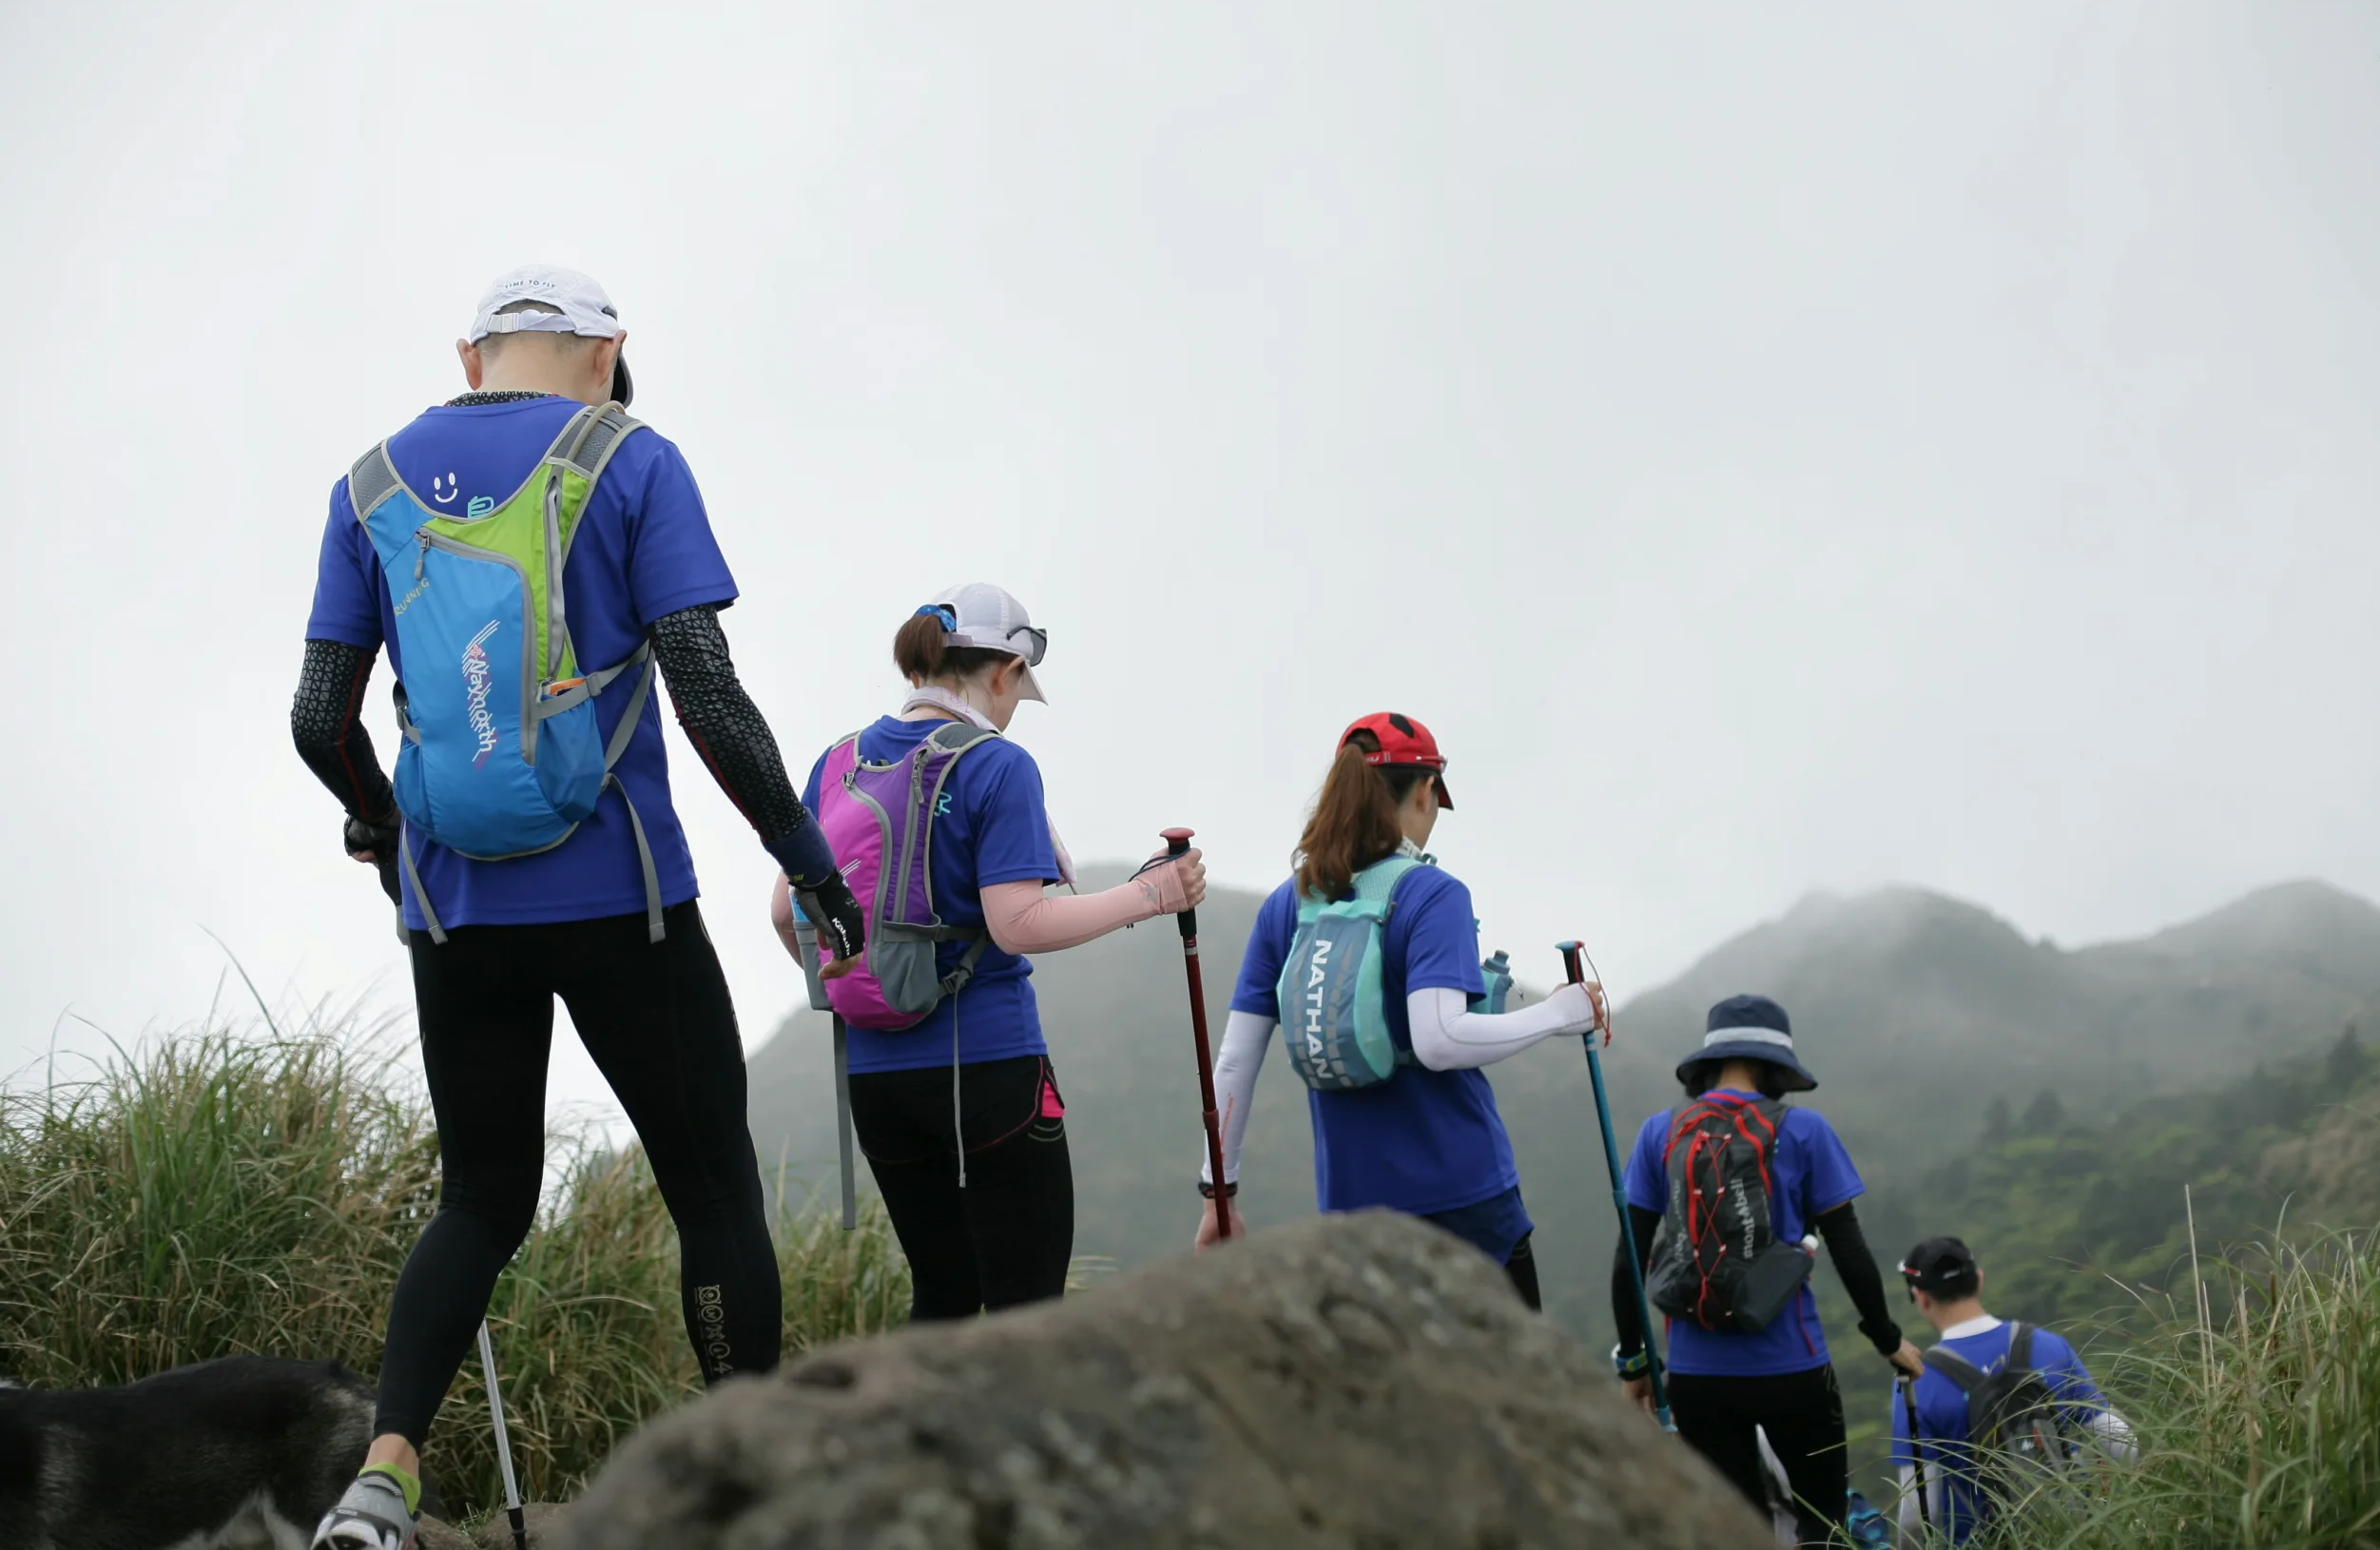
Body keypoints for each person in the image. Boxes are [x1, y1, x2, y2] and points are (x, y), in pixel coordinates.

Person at [293, 267, 864, 1550]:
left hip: (454, 909)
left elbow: (314, 716)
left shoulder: (368, 484)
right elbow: (709, 695)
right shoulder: (633, 458)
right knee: (713, 1190)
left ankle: (381, 1481)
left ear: (471, 351)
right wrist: (809, 860)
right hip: (629, 898)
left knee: (479, 1200)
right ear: (607, 352)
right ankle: (748, 1486)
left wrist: (388, 831)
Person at [772, 584, 1207, 1321]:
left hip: (876, 1079)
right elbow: (1019, 923)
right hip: (988, 1069)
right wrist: (1154, 895)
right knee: (1026, 1313)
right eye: (1017, 689)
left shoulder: (837, 761)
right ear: (1003, 670)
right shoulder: (997, 764)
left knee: (940, 1297)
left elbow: (787, 911)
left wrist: (872, 983)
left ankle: (914, 1438)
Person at [1190, 712, 1604, 1306]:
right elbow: (1439, 1041)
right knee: (1503, 1388)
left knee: (1395, 1393)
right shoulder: (1431, 893)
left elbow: (1233, 1063)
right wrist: (1561, 1014)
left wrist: (1219, 1197)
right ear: (1425, 791)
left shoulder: (1290, 904)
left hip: (1352, 1206)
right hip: (1465, 1198)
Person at [1611, 995, 1925, 1547]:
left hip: (1695, 1376)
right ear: (1774, 1066)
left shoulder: (1660, 1132)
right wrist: (1887, 1338)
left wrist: (1636, 1362)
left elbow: (1629, 1259)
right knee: (1823, 1525)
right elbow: (1850, 1250)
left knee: (1737, 1532)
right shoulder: (1805, 1131)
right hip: (1793, 1369)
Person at [1891, 1236, 2135, 1545]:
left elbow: (1917, 1517)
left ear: (1921, 1298)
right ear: (1979, 1280)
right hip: (2071, 1539)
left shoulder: (1917, 1381)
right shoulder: (2050, 1347)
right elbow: (2123, 1445)